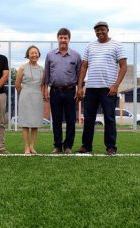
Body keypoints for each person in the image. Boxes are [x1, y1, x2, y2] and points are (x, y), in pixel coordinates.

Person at [76, 21, 128, 155]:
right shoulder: (90, 46)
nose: (100, 32)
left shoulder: (117, 45)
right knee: (88, 118)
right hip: (91, 88)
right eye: (97, 30)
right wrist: (80, 86)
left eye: (102, 30)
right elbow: (83, 66)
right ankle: (86, 146)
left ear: (107, 30)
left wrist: (116, 85)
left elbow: (123, 66)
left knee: (109, 118)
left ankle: (110, 147)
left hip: (108, 89)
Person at [43, 28, 81, 154]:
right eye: (61, 37)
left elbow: (80, 75)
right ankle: (58, 146)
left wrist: (79, 89)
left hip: (70, 92)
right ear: (57, 39)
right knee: (57, 120)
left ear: (69, 39)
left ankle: (68, 146)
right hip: (55, 91)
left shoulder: (76, 56)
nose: (63, 40)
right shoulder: (50, 55)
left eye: (65, 38)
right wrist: (45, 89)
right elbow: (47, 74)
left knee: (71, 120)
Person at [15, 46, 44, 154]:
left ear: (39, 55)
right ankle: (26, 147)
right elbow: (17, 84)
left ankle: (32, 146)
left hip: (37, 96)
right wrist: (23, 94)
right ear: (28, 55)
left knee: (35, 123)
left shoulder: (42, 69)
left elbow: (43, 84)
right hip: (25, 96)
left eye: (36, 53)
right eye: (31, 53)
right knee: (26, 123)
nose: (34, 55)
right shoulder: (22, 68)